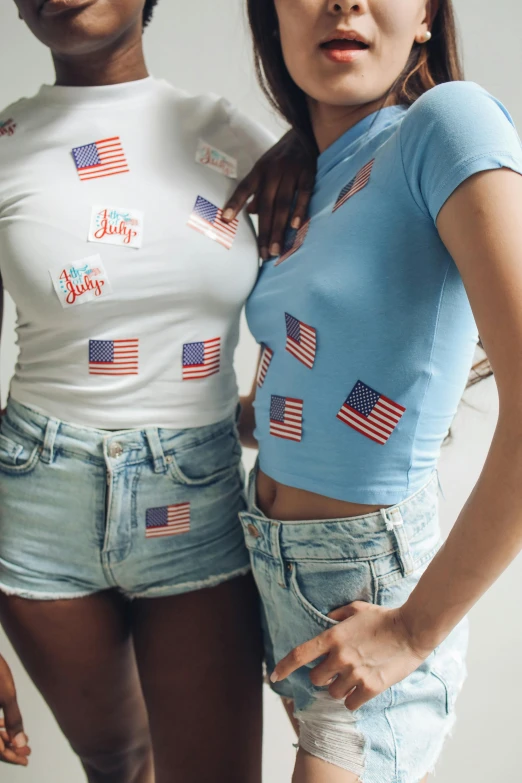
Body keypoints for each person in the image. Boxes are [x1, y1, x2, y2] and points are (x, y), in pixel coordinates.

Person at [0, 0, 316, 779]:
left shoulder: (241, 139)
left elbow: (319, 296)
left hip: (196, 495)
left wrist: (261, 414)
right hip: (37, 500)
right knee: (116, 762)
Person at [238, 0, 522, 781]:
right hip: (268, 560)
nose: (344, 0)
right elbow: (312, 373)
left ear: (426, 14)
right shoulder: (307, 172)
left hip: (370, 589)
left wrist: (414, 631)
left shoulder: (449, 123)